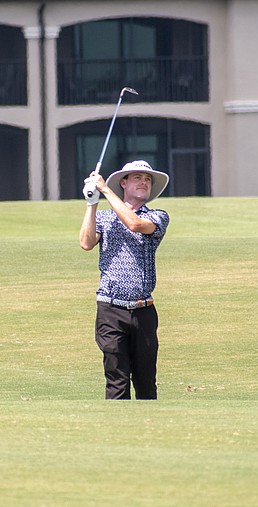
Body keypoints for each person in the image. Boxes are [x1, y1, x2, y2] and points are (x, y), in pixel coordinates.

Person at [79, 160, 171, 400]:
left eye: (148, 179)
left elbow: (134, 223)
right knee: (116, 382)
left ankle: (148, 433)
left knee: (145, 384)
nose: (144, 182)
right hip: (110, 309)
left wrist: (105, 190)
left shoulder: (158, 216)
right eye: (137, 177)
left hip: (144, 311)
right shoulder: (105, 218)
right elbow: (86, 243)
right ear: (124, 183)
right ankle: (119, 434)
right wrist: (91, 203)